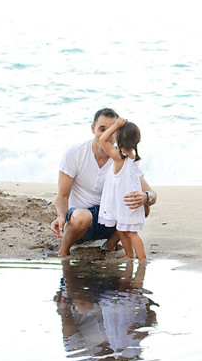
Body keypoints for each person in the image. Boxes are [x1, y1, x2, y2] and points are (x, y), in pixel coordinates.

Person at [51, 108, 158, 256]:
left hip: (110, 219)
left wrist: (146, 197)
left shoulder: (123, 158)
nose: (107, 135)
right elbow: (62, 196)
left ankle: (110, 244)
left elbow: (151, 193)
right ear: (93, 129)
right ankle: (63, 252)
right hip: (81, 223)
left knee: (142, 206)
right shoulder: (75, 153)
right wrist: (61, 216)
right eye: (102, 129)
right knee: (82, 216)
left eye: (112, 130)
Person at [97, 117, 148, 262]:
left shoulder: (119, 158)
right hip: (129, 202)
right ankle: (130, 254)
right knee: (122, 230)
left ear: (118, 139)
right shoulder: (134, 158)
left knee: (132, 233)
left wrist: (115, 125)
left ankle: (142, 258)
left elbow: (102, 140)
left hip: (127, 203)